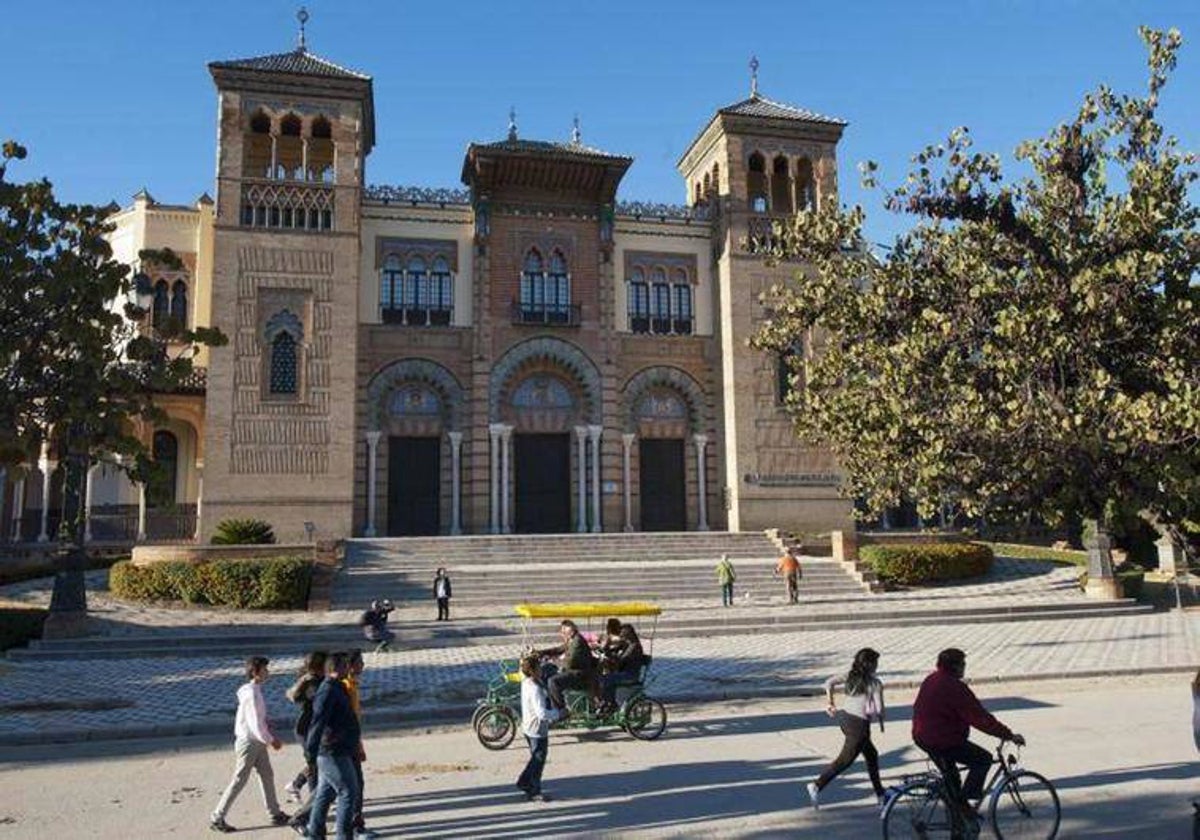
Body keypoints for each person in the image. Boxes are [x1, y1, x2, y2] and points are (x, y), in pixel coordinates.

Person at [912, 648, 1025, 823]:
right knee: (983, 759)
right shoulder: (955, 687)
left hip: (923, 735)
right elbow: (979, 717)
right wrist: (1008, 735)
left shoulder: (931, 679)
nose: (965, 667)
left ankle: (959, 816)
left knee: (952, 778)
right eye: (963, 664)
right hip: (942, 739)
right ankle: (964, 807)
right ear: (956, 666)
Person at [209, 656, 289, 833]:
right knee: (239, 779)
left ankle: (274, 812)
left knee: (267, 774)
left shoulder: (251, 690)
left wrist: (266, 726)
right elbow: (254, 723)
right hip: (250, 742)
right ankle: (217, 816)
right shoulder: (252, 693)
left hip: (256, 741)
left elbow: (255, 719)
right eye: (265, 669)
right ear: (255, 672)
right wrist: (271, 739)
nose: (268, 672)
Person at [805, 648, 887, 810]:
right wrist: (880, 715)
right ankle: (817, 785)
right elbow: (880, 710)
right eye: (876, 663)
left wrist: (830, 702)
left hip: (846, 720)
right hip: (860, 726)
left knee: (871, 755)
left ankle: (880, 794)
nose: (877, 666)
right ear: (870, 664)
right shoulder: (875, 683)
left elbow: (829, 682)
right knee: (845, 760)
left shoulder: (850, 676)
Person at [304, 651, 361, 840]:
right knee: (348, 792)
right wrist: (311, 753)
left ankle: (315, 833)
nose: (349, 668)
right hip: (331, 751)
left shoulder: (337, 687)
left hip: (339, 749)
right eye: (345, 665)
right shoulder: (328, 689)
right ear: (336, 668)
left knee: (325, 793)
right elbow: (317, 722)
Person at [516, 653, 562, 802]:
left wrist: (526, 657)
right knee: (538, 761)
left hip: (528, 727)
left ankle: (524, 782)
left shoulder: (526, 682)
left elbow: (522, 669)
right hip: (537, 729)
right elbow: (541, 713)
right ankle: (533, 789)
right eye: (538, 667)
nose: (541, 670)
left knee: (535, 758)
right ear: (533, 670)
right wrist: (558, 714)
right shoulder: (534, 688)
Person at [284, 651, 327, 805]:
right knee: (314, 764)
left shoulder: (323, 679)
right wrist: (303, 680)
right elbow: (291, 695)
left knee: (318, 762)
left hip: (319, 728)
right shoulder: (308, 682)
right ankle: (314, 802)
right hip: (305, 729)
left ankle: (296, 785)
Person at [342, 649, 377, 840]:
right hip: (346, 744)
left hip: (350, 742)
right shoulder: (346, 687)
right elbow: (350, 721)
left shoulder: (352, 685)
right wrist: (357, 744)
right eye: (359, 662)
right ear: (350, 665)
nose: (362, 665)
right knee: (354, 785)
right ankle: (356, 827)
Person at [533, 619, 597, 713]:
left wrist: (554, 660)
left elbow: (569, 663)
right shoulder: (571, 639)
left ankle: (561, 711)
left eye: (564, 632)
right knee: (545, 673)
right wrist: (540, 652)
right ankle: (549, 705)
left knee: (553, 681)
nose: (562, 635)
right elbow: (558, 649)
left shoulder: (577, 642)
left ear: (571, 632)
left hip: (580, 674)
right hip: (572, 671)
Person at [598, 623, 647, 714]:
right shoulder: (627, 644)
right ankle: (610, 702)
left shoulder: (634, 646)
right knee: (607, 678)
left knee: (605, 679)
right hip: (623, 672)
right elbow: (614, 650)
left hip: (630, 675)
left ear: (628, 635)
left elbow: (620, 660)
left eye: (623, 636)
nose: (621, 638)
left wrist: (609, 654)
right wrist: (605, 647)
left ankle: (609, 703)